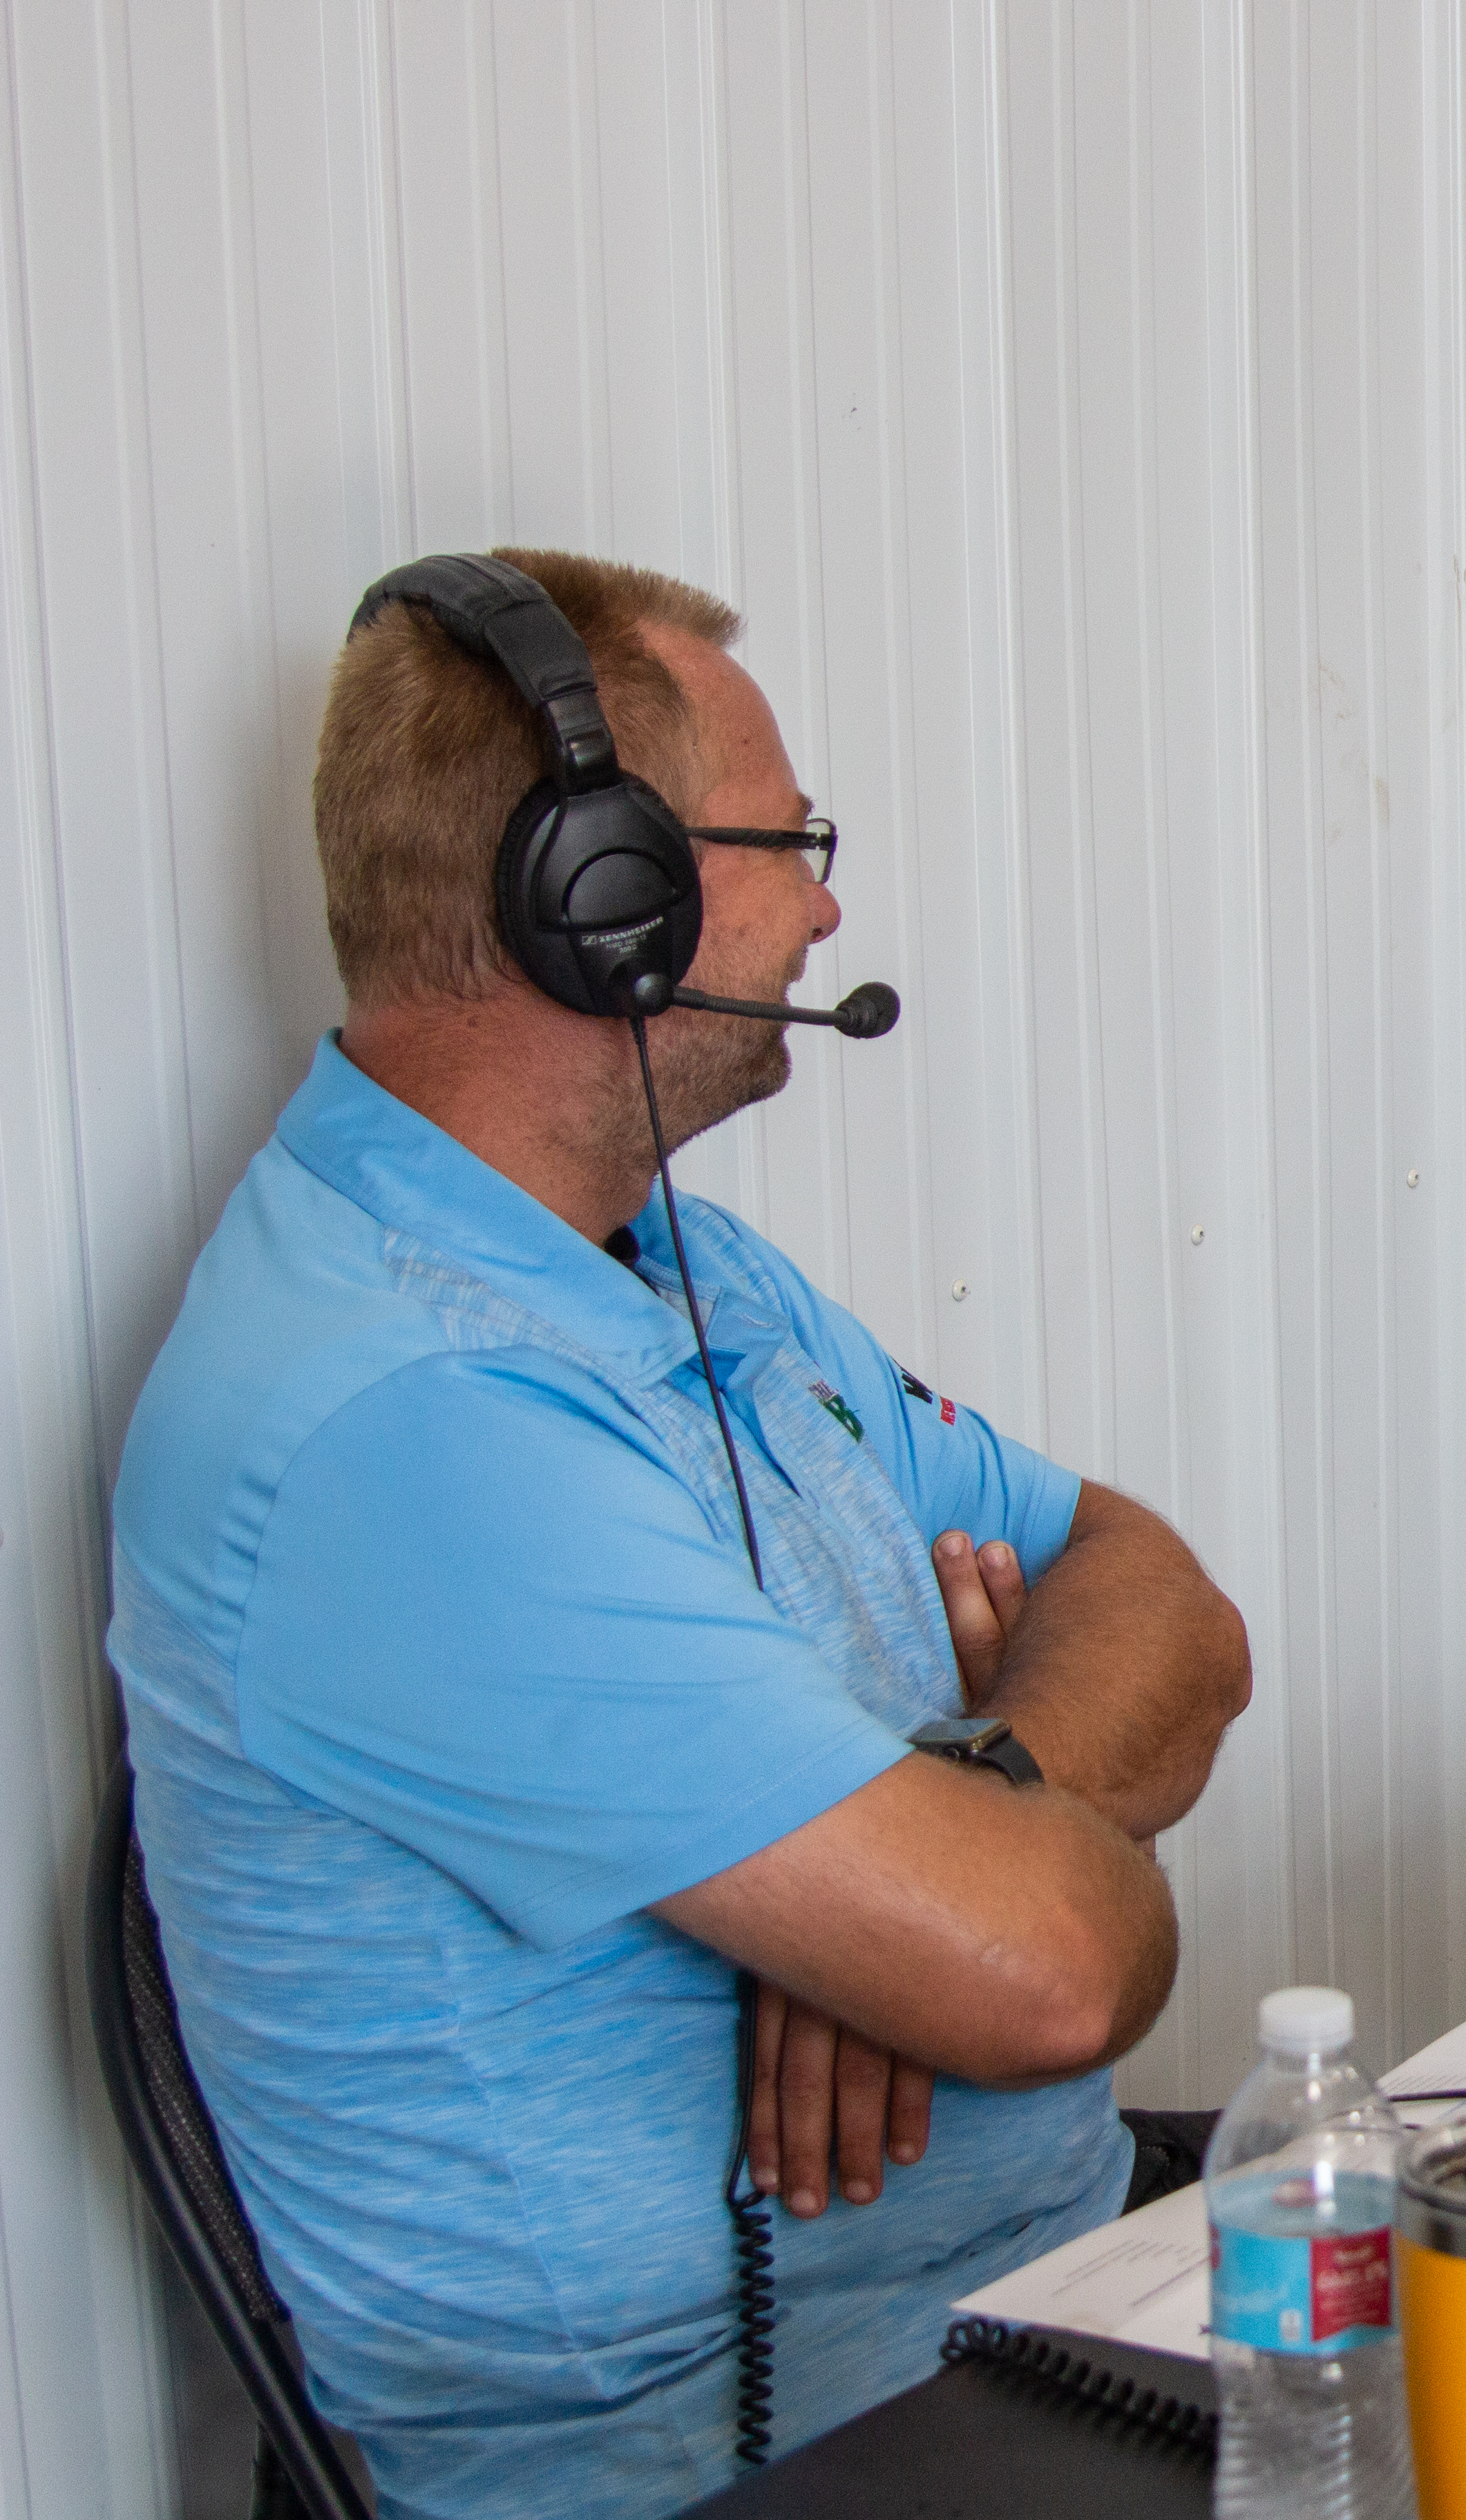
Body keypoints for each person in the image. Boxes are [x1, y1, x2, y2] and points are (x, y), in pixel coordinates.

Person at [106, 550, 1253, 2520]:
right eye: (785, 838)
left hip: (1036, 2327)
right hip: (754, 2460)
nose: (826, 904)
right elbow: (1059, 1967)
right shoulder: (406, 1418)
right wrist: (982, 1888)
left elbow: (1161, 1592)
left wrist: (970, 1779)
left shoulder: (680, 1269)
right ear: (597, 903)